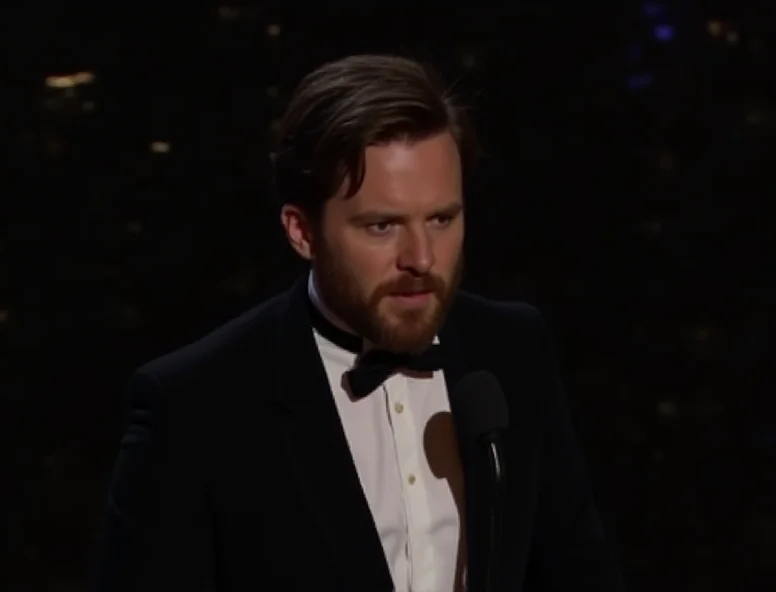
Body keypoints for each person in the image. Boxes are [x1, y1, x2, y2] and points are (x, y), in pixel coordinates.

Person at [96, 54, 625, 592]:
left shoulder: (512, 350)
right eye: (382, 225)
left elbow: (578, 571)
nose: (421, 256)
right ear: (301, 231)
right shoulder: (195, 406)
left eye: (442, 219)